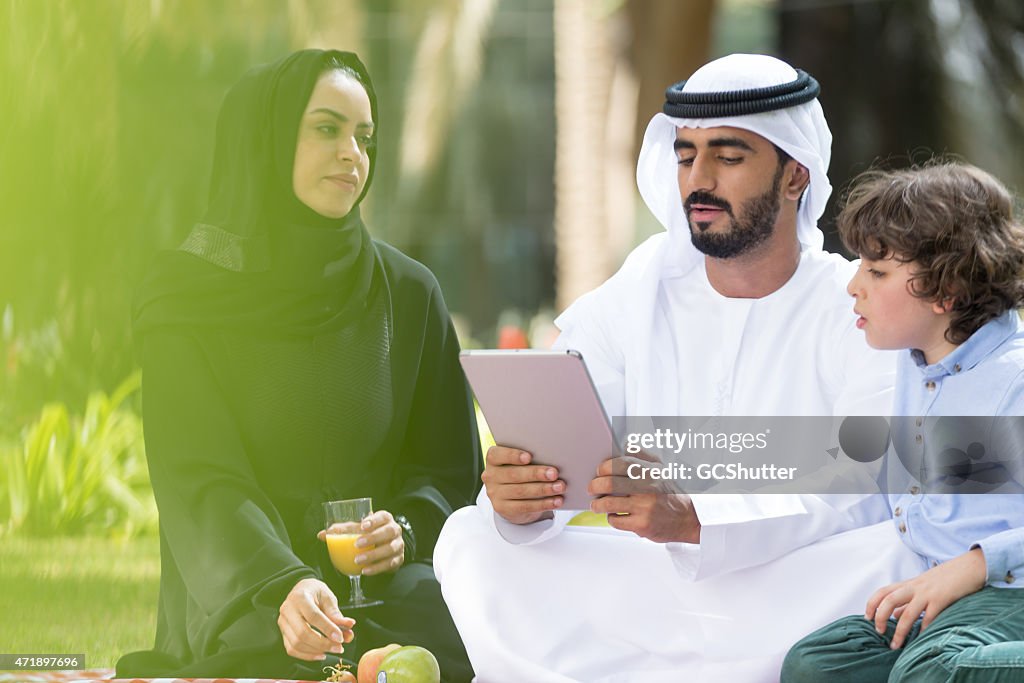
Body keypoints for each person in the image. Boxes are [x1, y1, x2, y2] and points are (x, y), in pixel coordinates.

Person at [434, 54, 924, 681]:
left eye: (728, 156)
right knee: (473, 541)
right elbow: (561, 441)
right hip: (657, 585)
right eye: (686, 155)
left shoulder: (851, 302)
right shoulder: (641, 289)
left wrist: (699, 516)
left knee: (895, 553)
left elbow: (870, 479)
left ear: (795, 175)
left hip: (796, 586)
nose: (699, 179)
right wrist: (522, 499)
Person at [116, 50, 480, 681]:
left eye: (364, 138)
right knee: (282, 650)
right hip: (244, 591)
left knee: (483, 623)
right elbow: (201, 479)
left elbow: (447, 470)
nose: (352, 154)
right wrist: (280, 582)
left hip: (383, 593)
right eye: (326, 129)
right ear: (267, 140)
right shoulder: (187, 299)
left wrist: (405, 533)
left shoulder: (409, 294)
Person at [781, 162, 1024, 682]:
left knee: (933, 673)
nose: (853, 285)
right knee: (818, 666)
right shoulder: (918, 366)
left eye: (877, 270)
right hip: (945, 596)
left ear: (946, 291)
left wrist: (974, 565)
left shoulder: (1014, 379)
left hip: (1009, 590)